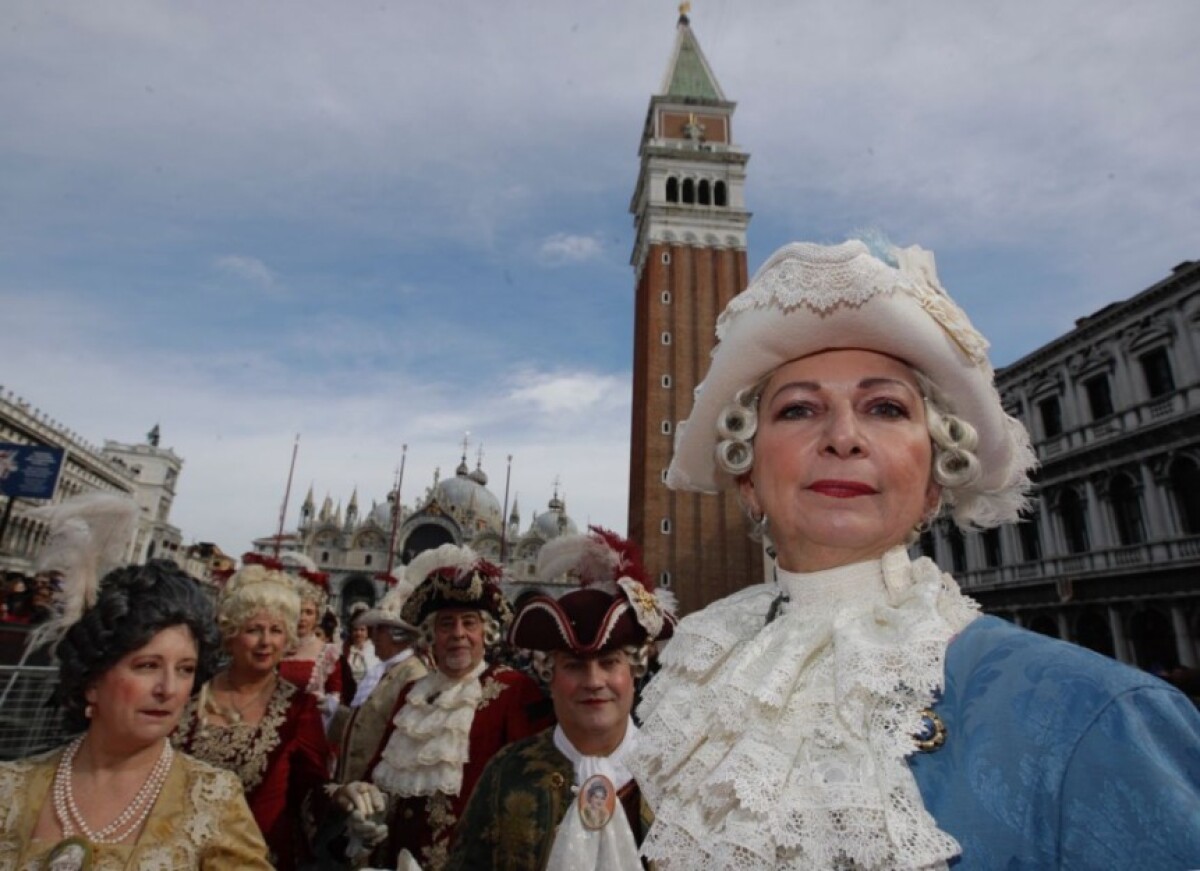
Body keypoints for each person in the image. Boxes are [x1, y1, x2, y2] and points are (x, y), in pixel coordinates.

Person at [629, 237, 1200, 869]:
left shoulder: (1102, 717)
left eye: (885, 408)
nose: (843, 437)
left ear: (935, 479)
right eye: (798, 409)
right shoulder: (696, 681)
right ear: (747, 476)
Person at [0, 550, 271, 867]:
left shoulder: (214, 801)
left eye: (185, 669)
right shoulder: (10, 788)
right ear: (93, 680)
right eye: (147, 666)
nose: (168, 689)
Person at [448, 527, 675, 871]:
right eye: (574, 666)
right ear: (548, 675)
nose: (593, 682)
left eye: (609, 663)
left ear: (635, 670)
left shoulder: (676, 777)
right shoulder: (506, 774)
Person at [353, 543, 552, 870]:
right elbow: (379, 774)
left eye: (469, 622)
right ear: (432, 633)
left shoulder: (513, 690)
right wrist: (362, 800)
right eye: (446, 624)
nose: (458, 634)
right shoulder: (411, 694)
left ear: (485, 631)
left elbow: (531, 791)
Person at [173, 561, 331, 870]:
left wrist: (340, 797)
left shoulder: (299, 708)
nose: (266, 642)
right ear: (231, 634)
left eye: (276, 630)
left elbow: (313, 790)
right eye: (254, 630)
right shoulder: (190, 693)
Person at [329, 579, 427, 785]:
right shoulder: (387, 669)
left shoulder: (412, 674)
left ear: (397, 635)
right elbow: (366, 722)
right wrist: (334, 712)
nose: (372, 638)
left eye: (378, 630)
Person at [274, 558, 342, 723]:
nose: (302, 618)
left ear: (317, 617)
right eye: (298, 611)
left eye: (308, 612)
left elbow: (336, 694)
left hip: (307, 726)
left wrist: (326, 703)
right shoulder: (275, 645)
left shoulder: (328, 652)